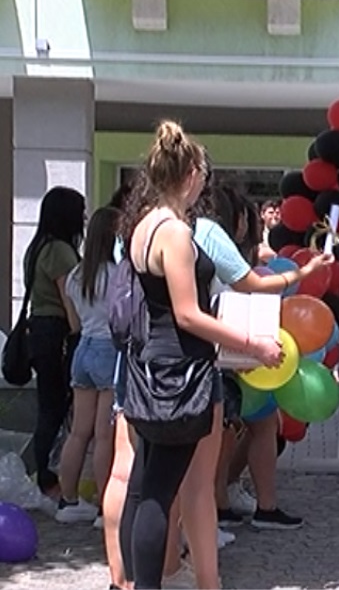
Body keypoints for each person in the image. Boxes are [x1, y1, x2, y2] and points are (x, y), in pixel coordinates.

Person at [117, 120, 282, 588]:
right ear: (191, 175)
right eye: (203, 179)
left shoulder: (143, 225)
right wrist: (251, 344)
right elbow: (188, 314)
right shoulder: (173, 231)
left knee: (145, 487)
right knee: (158, 491)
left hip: (149, 365)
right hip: (178, 373)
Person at [55, 206, 120, 525]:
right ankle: (104, 506)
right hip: (109, 348)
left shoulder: (77, 275)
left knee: (79, 432)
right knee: (104, 435)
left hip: (84, 348)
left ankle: (67, 500)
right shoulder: (117, 275)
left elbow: (76, 319)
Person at [24, 186, 86, 497]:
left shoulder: (36, 247)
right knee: (56, 407)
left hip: (38, 328)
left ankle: (44, 477)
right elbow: (68, 297)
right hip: (56, 331)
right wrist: (78, 332)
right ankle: (49, 481)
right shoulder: (60, 251)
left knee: (48, 405)